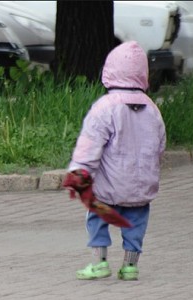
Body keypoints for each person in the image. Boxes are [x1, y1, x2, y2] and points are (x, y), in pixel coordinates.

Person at [63, 41, 166, 281]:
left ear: (109, 71)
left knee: (97, 218)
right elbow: (160, 145)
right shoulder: (152, 109)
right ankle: (130, 266)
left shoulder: (105, 107)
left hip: (108, 186)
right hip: (141, 185)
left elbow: (90, 143)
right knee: (136, 224)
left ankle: (99, 262)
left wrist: (79, 170)